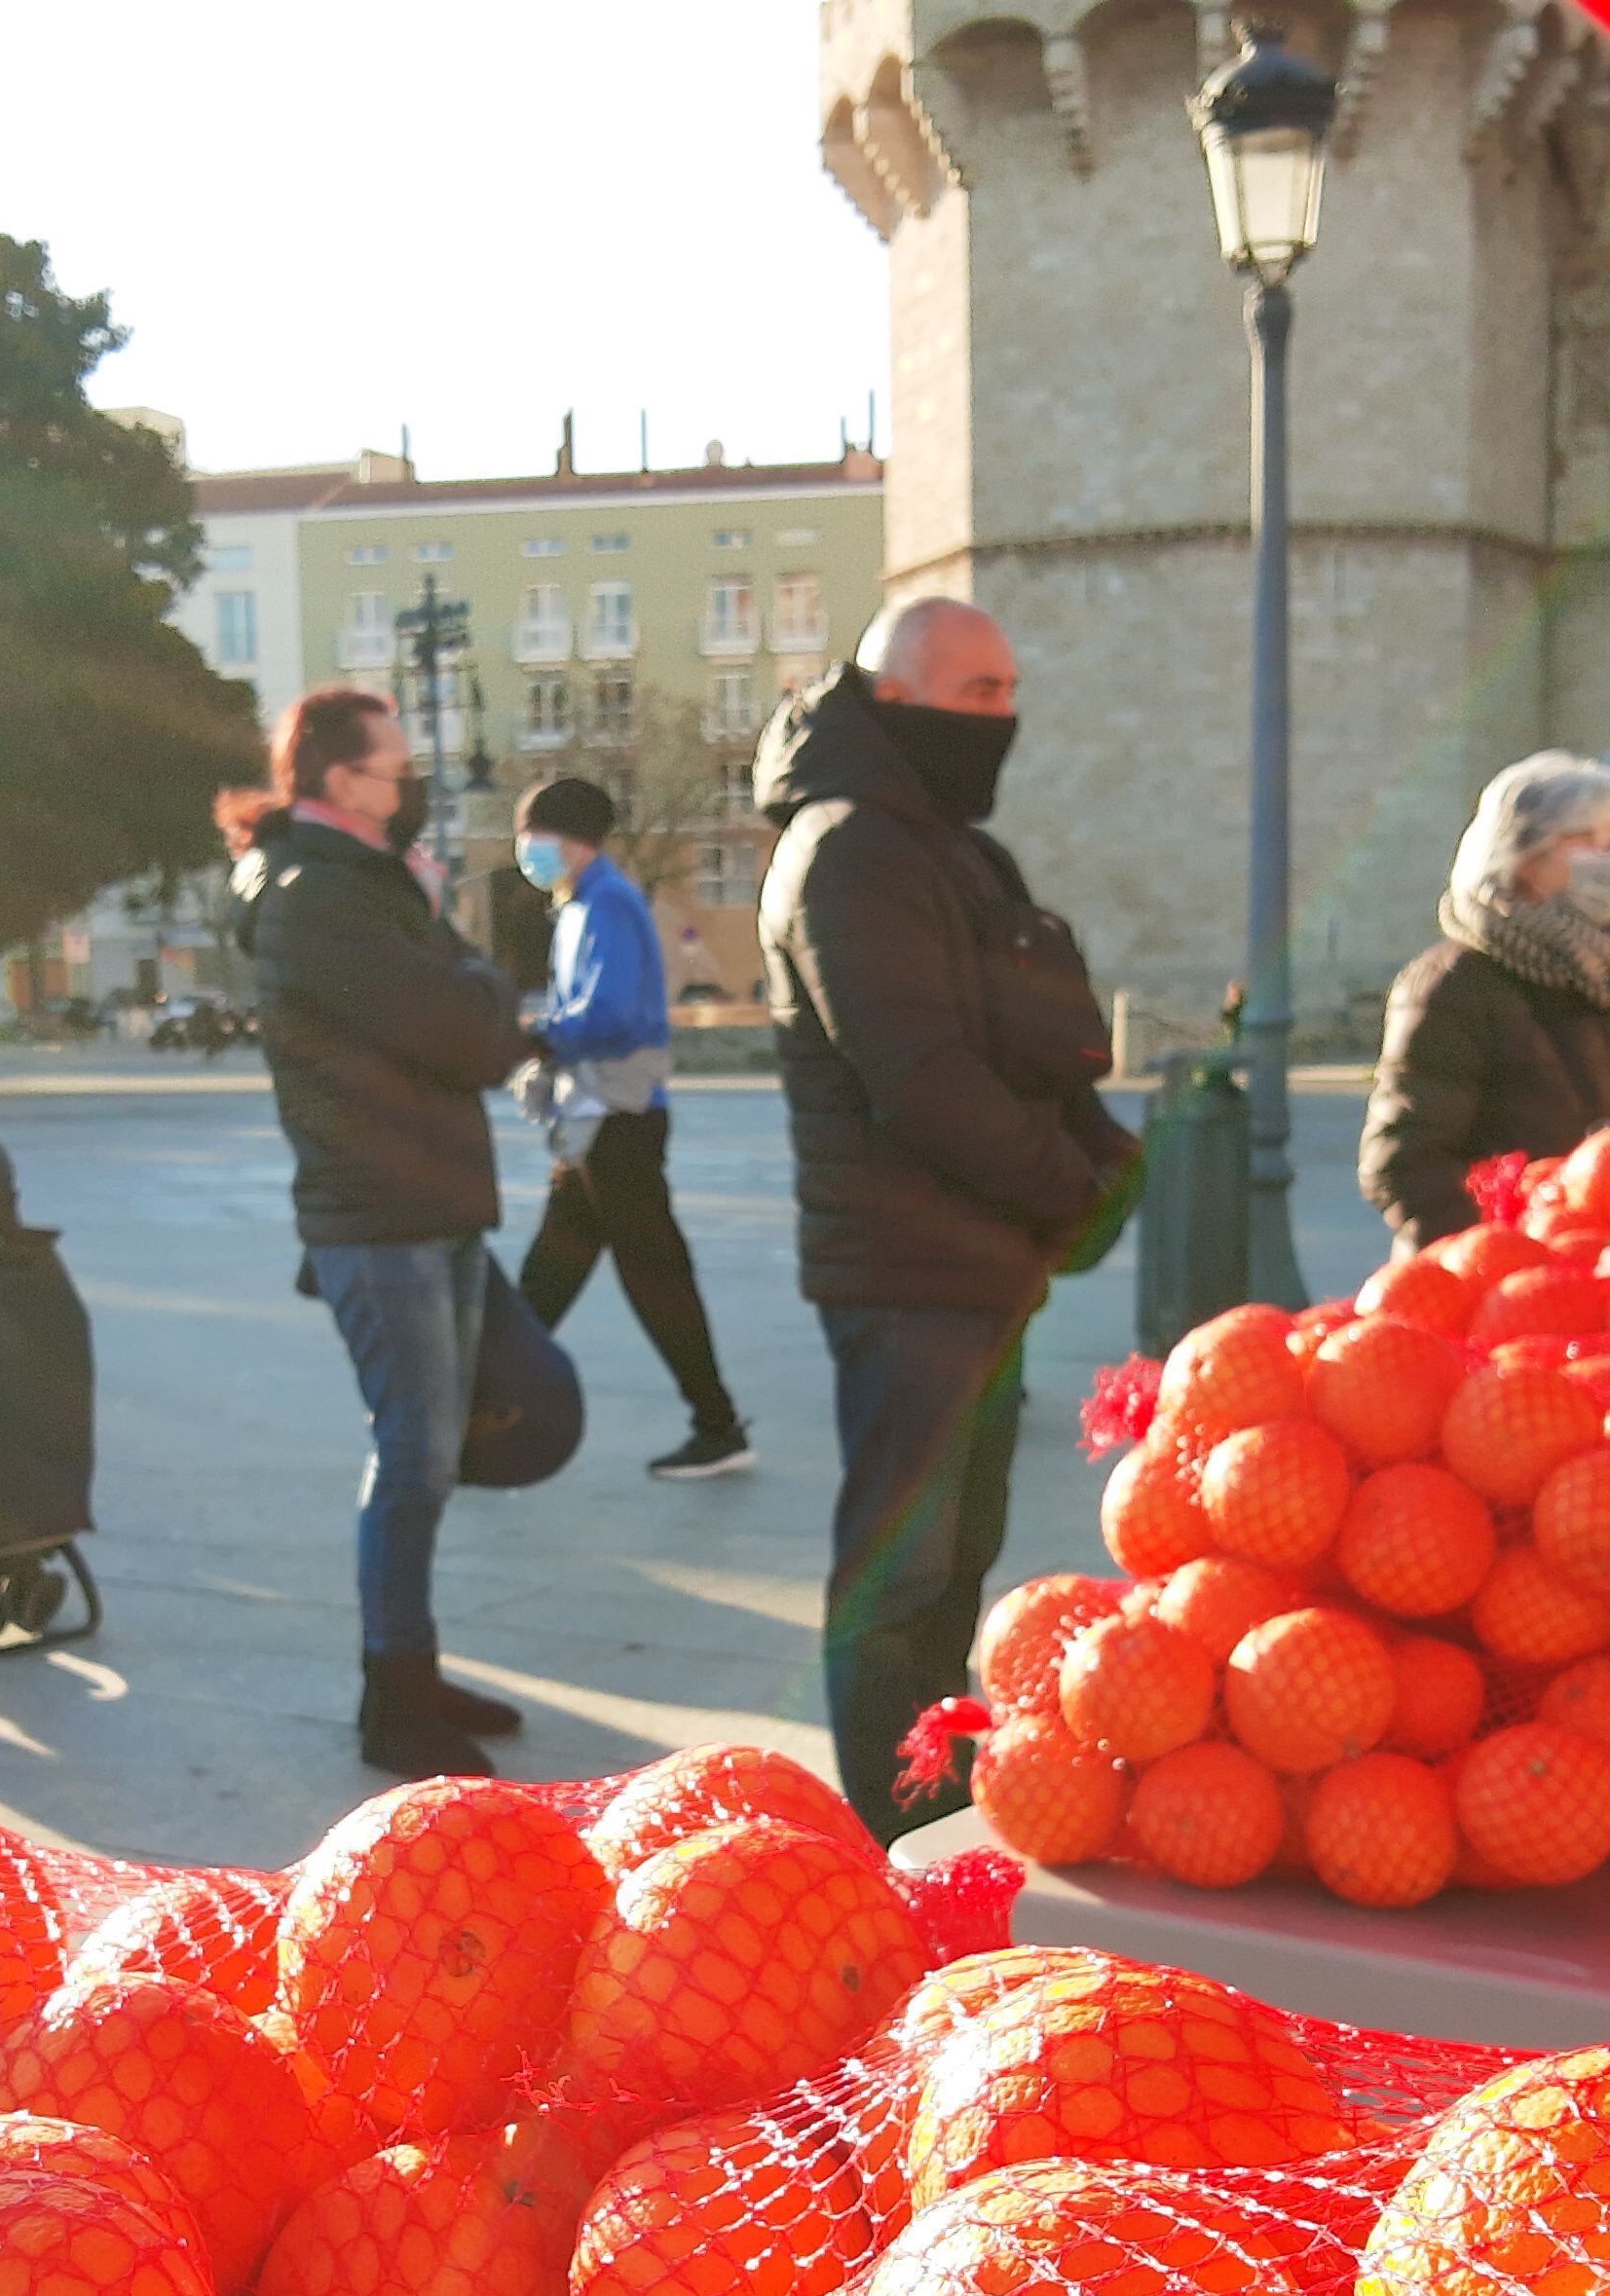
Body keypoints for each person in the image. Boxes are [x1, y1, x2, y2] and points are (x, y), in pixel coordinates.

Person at [756, 594, 1139, 1833]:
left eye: (1012, 692)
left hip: (982, 1266)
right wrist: (1070, 1185)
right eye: (981, 693)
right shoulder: (849, 846)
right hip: (909, 1269)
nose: (1005, 717)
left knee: (953, 1562)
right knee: (901, 1571)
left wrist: (1104, 1159)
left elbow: (1028, 1038)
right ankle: (892, 1828)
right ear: (900, 695)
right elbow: (916, 1074)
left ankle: (933, 1788)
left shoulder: (947, 845)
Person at [221, 686, 534, 1780]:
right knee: (412, 1457)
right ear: (342, 783)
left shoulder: (366, 883)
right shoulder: (318, 896)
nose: (410, 793)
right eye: (397, 775)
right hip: (381, 1212)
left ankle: (413, 1667)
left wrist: (475, 991)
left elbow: (473, 1012)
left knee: (434, 1453)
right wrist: (480, 991)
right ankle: (392, 1700)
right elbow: (469, 1026)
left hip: (423, 1201)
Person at [506, 775, 750, 1479]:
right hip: (602, 1119)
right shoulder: (587, 901)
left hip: (617, 1121)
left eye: (533, 837)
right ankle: (481, 1409)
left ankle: (719, 1424)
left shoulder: (605, 904)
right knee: (553, 1274)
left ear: (572, 841)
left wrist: (539, 1038)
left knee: (650, 1278)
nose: (526, 851)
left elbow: (610, 1015)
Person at [1358, 752, 1610, 1247]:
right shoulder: (1457, 982)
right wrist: (1494, 1259)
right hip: (1498, 1281)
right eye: (1593, 842)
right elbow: (1407, 1162)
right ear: (1524, 853)